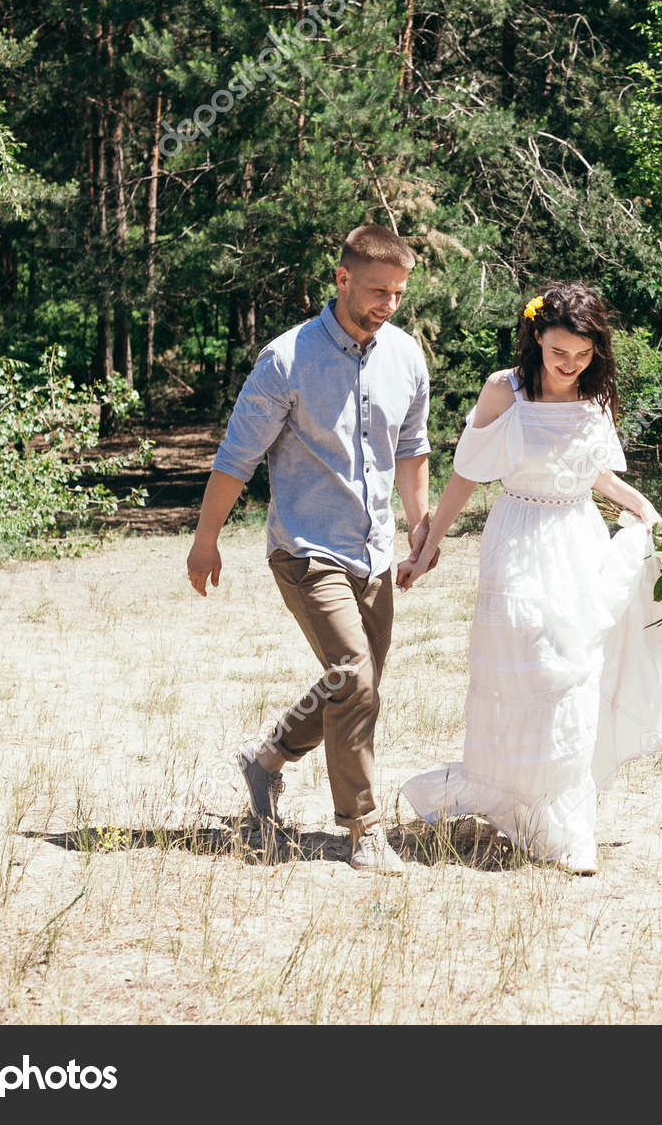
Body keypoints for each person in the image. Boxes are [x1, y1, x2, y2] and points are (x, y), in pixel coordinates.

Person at [397, 282, 662, 875]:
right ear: (536, 336)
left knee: (575, 671)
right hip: (519, 538)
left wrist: (650, 514)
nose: (570, 364)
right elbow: (467, 474)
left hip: (577, 538)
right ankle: (522, 802)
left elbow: (595, 475)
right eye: (560, 352)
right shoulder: (503, 391)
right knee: (529, 668)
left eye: (582, 356)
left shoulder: (595, 396)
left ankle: (567, 820)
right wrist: (430, 541)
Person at [186, 224, 435, 874]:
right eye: (378, 289)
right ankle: (364, 827)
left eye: (398, 293)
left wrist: (418, 526)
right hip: (305, 548)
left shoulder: (407, 357)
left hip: (374, 551)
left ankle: (266, 757)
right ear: (342, 279)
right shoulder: (287, 358)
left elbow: (411, 449)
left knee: (351, 683)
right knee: (355, 676)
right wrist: (206, 538)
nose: (388, 303)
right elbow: (237, 455)